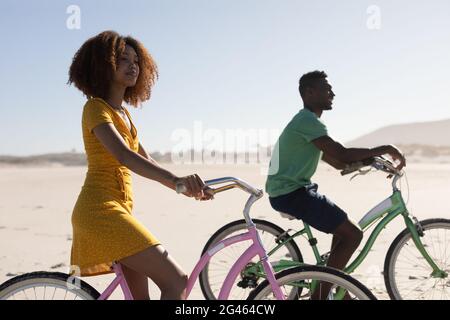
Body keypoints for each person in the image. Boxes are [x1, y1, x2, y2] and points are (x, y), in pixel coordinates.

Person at [68, 30, 213, 300]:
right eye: (123, 59)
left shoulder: (124, 114)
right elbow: (125, 156)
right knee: (177, 280)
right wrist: (177, 180)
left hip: (120, 209)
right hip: (99, 212)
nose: (133, 65)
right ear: (103, 64)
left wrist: (186, 188)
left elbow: (146, 160)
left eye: (136, 60)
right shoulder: (95, 109)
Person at [265, 70, 406, 299]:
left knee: (342, 231)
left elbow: (338, 162)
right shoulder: (306, 121)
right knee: (353, 235)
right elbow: (341, 152)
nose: (332, 93)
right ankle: (320, 294)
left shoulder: (309, 123)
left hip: (295, 190)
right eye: (326, 89)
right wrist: (386, 148)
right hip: (291, 193)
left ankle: (333, 282)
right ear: (309, 93)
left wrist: (371, 160)